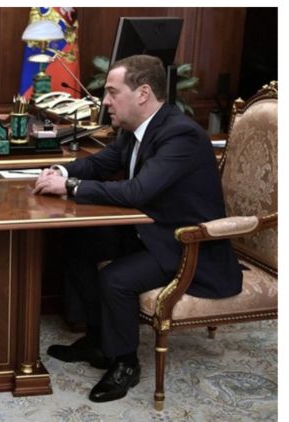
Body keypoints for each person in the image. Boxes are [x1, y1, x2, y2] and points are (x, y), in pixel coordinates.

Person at [33, 54, 242, 403]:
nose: (105, 101)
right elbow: (103, 163)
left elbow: (138, 191)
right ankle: (98, 342)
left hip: (185, 243)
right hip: (150, 230)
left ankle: (125, 363)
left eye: (113, 92)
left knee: (115, 279)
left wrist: (71, 188)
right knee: (77, 243)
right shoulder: (135, 130)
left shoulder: (181, 135)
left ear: (143, 93)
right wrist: (62, 171)